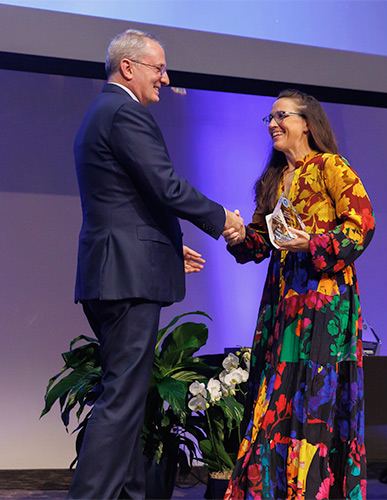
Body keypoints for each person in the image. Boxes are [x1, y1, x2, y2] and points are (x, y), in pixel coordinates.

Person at [68, 28, 244, 500]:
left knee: (128, 396)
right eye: (159, 68)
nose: (165, 78)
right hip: (126, 279)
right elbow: (165, 186)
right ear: (129, 67)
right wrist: (221, 217)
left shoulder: (99, 113)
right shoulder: (125, 113)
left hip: (112, 271)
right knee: (122, 399)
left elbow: (126, 202)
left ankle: (128, 495)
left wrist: (167, 248)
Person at [222, 89, 375, 499]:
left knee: (314, 397)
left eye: (281, 116)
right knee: (276, 396)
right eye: (269, 118)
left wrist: (313, 244)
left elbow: (361, 226)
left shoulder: (330, 167)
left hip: (325, 303)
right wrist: (237, 234)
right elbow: (260, 243)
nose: (273, 124)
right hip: (284, 302)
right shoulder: (274, 179)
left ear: (307, 123)